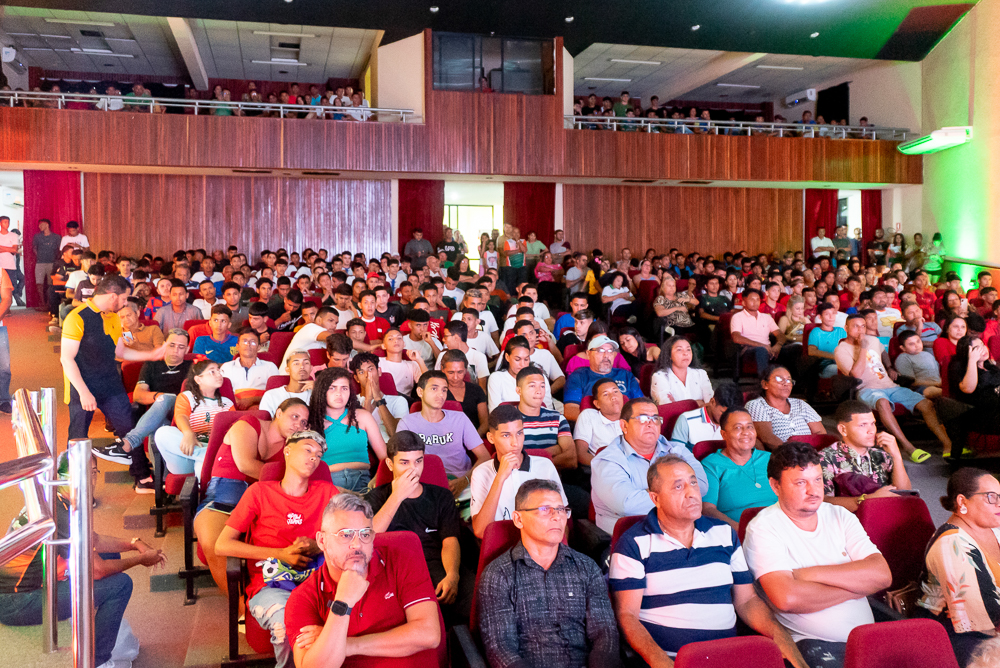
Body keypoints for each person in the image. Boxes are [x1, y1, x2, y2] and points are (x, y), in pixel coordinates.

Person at [610, 455, 806, 668]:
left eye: (693, 482)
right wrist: (662, 663)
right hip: (673, 661)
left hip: (729, 657)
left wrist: (787, 645)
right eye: (678, 486)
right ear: (655, 498)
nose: (691, 492)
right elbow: (627, 615)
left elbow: (747, 601)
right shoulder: (633, 543)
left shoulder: (724, 533)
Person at [0, 454, 166, 668]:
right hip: (15, 602)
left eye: (94, 472)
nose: (91, 480)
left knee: (109, 557)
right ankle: (96, 661)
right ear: (64, 477)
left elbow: (93, 540)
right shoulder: (61, 513)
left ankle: (89, 621)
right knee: (120, 585)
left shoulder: (56, 498)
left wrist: (134, 543)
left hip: (29, 588)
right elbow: (97, 571)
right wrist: (140, 559)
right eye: (83, 473)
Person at [743, 441, 892, 667]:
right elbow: (787, 598)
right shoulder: (763, 528)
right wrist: (857, 587)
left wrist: (806, 574)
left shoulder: (841, 516)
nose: (813, 491)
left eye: (818, 480)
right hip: (814, 644)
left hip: (868, 640)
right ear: (775, 486)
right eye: (801, 483)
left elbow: (882, 575)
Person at [215, 431, 336, 668]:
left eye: (318, 455)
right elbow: (222, 544)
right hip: (270, 585)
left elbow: (354, 531)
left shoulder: (327, 492)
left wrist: (320, 545)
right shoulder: (260, 492)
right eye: (307, 450)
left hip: (319, 582)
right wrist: (279, 554)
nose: (313, 458)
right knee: (286, 625)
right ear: (287, 451)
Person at [284, 494, 443, 668]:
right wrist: (342, 603)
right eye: (345, 535)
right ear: (322, 541)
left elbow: (429, 634)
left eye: (365, 534)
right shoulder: (303, 597)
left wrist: (348, 644)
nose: (357, 545)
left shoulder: (401, 560)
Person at [479, 479, 620, 668]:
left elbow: (605, 632)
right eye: (545, 509)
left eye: (561, 509)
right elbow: (500, 648)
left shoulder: (586, 567)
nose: (557, 517)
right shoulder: (499, 575)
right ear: (518, 519)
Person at [193, 399, 311, 595]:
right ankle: (241, 611)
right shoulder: (247, 424)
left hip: (263, 504)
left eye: (304, 422)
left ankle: (285, 597)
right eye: (295, 417)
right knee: (211, 543)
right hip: (224, 498)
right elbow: (246, 465)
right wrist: (286, 477)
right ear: (279, 413)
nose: (299, 425)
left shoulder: (290, 447)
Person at [62, 275, 166, 493]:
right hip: (83, 386)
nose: (126, 303)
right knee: (78, 437)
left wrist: (152, 355)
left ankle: (142, 476)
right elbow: (67, 359)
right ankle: (77, 489)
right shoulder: (77, 317)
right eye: (124, 298)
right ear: (112, 296)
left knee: (130, 428)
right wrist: (83, 392)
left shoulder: (112, 317)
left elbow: (119, 353)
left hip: (110, 383)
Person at [366, 431, 471, 625]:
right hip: (393, 569)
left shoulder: (441, 496)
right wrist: (397, 496)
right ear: (390, 464)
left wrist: (452, 575)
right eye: (404, 462)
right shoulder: (376, 498)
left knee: (474, 603)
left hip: (436, 564)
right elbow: (369, 537)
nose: (413, 469)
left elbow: (450, 541)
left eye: (418, 461)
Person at [835, 313, 947, 461]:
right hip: (867, 389)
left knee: (926, 404)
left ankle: (948, 444)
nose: (860, 330)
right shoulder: (841, 349)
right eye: (855, 326)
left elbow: (882, 351)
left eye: (863, 326)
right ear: (846, 328)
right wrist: (862, 349)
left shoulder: (873, 340)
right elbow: (855, 374)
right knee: (882, 402)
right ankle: (908, 446)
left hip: (890, 386)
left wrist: (889, 367)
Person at [917, 468, 1000, 667]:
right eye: (991, 497)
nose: (999, 503)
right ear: (962, 501)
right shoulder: (951, 544)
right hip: (959, 639)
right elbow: (989, 616)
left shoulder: (993, 530)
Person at [591, 398, 707, 533]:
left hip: (680, 531)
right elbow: (628, 505)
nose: (651, 424)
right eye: (643, 419)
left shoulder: (677, 450)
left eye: (655, 419)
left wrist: (651, 493)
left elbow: (702, 486)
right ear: (624, 425)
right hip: (630, 536)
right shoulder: (607, 460)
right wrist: (681, 490)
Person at [95, 328, 192, 469]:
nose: (176, 350)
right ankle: (163, 480)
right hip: (159, 413)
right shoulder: (152, 365)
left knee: (167, 399)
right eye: (171, 345)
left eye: (181, 347)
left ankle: (127, 444)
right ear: (164, 344)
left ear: (187, 349)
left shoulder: (192, 367)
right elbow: (138, 395)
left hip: (183, 411)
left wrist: (164, 398)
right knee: (157, 428)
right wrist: (158, 397)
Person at [470, 404, 566, 538]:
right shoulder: (481, 473)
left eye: (519, 433)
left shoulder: (545, 465)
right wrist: (500, 477)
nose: (515, 443)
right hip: (501, 545)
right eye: (506, 435)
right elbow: (481, 531)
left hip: (540, 541)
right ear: (491, 438)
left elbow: (561, 518)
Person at [397, 370, 491, 498]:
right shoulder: (407, 423)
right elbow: (400, 462)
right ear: (420, 392)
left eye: (444, 390)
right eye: (434, 389)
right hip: (423, 485)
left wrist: (465, 480)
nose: (440, 394)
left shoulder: (460, 418)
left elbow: (485, 456)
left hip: (462, 482)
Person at [818, 400, 912, 510]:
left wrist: (896, 456)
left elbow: (905, 495)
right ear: (843, 430)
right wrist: (867, 500)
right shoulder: (826, 458)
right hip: (847, 521)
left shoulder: (881, 455)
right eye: (862, 425)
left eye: (873, 424)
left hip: (885, 514)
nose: (871, 431)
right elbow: (823, 501)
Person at [308, 367, 387, 492]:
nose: (339, 393)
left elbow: (385, 458)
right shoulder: (312, 422)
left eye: (344, 388)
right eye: (332, 388)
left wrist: (376, 480)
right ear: (322, 391)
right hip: (328, 482)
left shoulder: (363, 416)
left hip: (362, 480)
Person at [155, 359, 236, 478]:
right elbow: (181, 416)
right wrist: (188, 433)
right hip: (185, 453)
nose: (219, 374)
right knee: (162, 432)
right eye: (212, 372)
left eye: (219, 371)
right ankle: (207, 456)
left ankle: (206, 458)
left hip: (214, 448)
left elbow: (233, 428)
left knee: (201, 466)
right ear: (198, 379)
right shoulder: (187, 397)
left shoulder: (227, 403)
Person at [702, 409, 778, 528]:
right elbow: (707, 509)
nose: (746, 432)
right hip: (740, 532)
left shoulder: (770, 459)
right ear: (723, 434)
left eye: (750, 427)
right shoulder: (711, 465)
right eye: (738, 427)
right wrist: (740, 531)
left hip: (781, 526)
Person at [563, 335, 643, 421]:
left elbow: (641, 405)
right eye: (600, 351)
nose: (606, 356)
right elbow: (570, 410)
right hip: (593, 428)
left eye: (610, 351)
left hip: (627, 426)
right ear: (588, 354)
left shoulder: (626, 375)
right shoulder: (578, 376)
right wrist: (602, 422)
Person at [747, 365, 825, 448]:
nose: (786, 384)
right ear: (765, 384)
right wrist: (795, 455)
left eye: (789, 380)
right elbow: (767, 438)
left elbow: (820, 433)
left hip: (811, 453)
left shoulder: (800, 404)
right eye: (779, 379)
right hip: (784, 455)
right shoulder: (757, 405)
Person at [515, 366, 577, 468]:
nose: (539, 391)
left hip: (550, 480)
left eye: (542, 386)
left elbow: (571, 460)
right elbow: (509, 457)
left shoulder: (558, 418)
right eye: (532, 386)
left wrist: (527, 458)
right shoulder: (507, 418)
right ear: (519, 390)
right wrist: (555, 449)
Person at [670, 381, 745, 451]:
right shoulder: (686, 420)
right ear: (712, 402)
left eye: (732, 414)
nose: (728, 418)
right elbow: (676, 455)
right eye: (723, 413)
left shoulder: (739, 422)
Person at [486, 336, 555, 412]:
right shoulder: (497, 379)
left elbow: (548, 410)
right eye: (517, 359)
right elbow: (495, 414)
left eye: (526, 359)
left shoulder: (540, 378)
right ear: (507, 357)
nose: (523, 364)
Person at [949, 335, 1000, 438]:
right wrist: (972, 361)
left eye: (983, 345)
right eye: (977, 348)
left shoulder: (990, 366)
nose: (983, 349)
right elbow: (968, 389)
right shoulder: (958, 366)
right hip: (982, 413)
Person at [351, 352, 408, 441]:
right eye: (361, 372)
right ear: (356, 378)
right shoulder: (350, 402)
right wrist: (368, 400)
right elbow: (358, 435)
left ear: (379, 371)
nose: (367, 375)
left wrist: (379, 399)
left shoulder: (398, 401)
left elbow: (397, 435)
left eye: (370, 369)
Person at [730, 288, 786, 372]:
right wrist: (761, 345)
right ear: (744, 302)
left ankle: (791, 381)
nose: (755, 302)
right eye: (752, 299)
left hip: (768, 348)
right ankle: (764, 381)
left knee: (794, 348)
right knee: (761, 350)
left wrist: (778, 345)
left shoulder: (766, 317)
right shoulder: (738, 317)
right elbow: (736, 338)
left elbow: (780, 334)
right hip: (748, 350)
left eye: (757, 300)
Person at [573, 378, 624, 467]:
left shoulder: (633, 417)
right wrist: (606, 467)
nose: (613, 397)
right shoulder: (589, 415)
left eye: (615, 391)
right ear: (597, 404)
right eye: (606, 394)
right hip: (605, 470)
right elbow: (581, 454)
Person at [650, 335, 714, 406]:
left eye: (688, 349)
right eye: (679, 350)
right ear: (669, 355)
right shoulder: (660, 377)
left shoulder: (701, 374)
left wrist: (681, 404)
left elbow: (711, 405)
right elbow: (669, 407)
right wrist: (698, 403)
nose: (685, 353)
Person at [440, 349, 488, 435]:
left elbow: (485, 423)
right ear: (442, 369)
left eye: (460, 372)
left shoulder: (476, 390)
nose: (455, 377)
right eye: (451, 372)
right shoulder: (437, 392)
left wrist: (472, 440)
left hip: (475, 438)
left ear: (466, 370)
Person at [434, 320, 489, 387]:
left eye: (446, 336)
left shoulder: (479, 357)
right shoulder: (442, 355)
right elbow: (436, 381)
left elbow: (482, 388)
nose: (443, 340)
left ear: (456, 338)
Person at [260, 351, 313, 417]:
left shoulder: (318, 393)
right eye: (296, 363)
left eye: (306, 363)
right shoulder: (271, 396)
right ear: (287, 370)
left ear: (311, 368)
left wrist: (320, 390)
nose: (302, 366)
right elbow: (265, 423)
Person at [378, 328, 426, 397]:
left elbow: (428, 383)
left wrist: (419, 360)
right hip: (382, 399)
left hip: (404, 402)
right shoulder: (378, 362)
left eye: (399, 338)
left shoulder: (412, 365)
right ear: (383, 346)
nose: (396, 341)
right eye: (390, 339)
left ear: (404, 344)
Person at [895, 330, 943, 398]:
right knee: (943, 393)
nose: (917, 345)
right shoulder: (903, 358)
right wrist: (936, 383)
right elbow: (910, 382)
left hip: (937, 384)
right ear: (903, 348)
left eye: (918, 341)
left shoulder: (928, 354)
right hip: (919, 388)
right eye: (911, 344)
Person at [31, 218, 61, 305]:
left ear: (47, 225)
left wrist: (55, 260)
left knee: (50, 284)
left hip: (52, 263)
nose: (39, 226)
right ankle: (42, 302)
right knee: (39, 283)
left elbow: (59, 250)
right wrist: (39, 256)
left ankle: (49, 303)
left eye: (41, 224)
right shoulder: (37, 236)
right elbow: (34, 248)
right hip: (40, 262)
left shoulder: (56, 237)